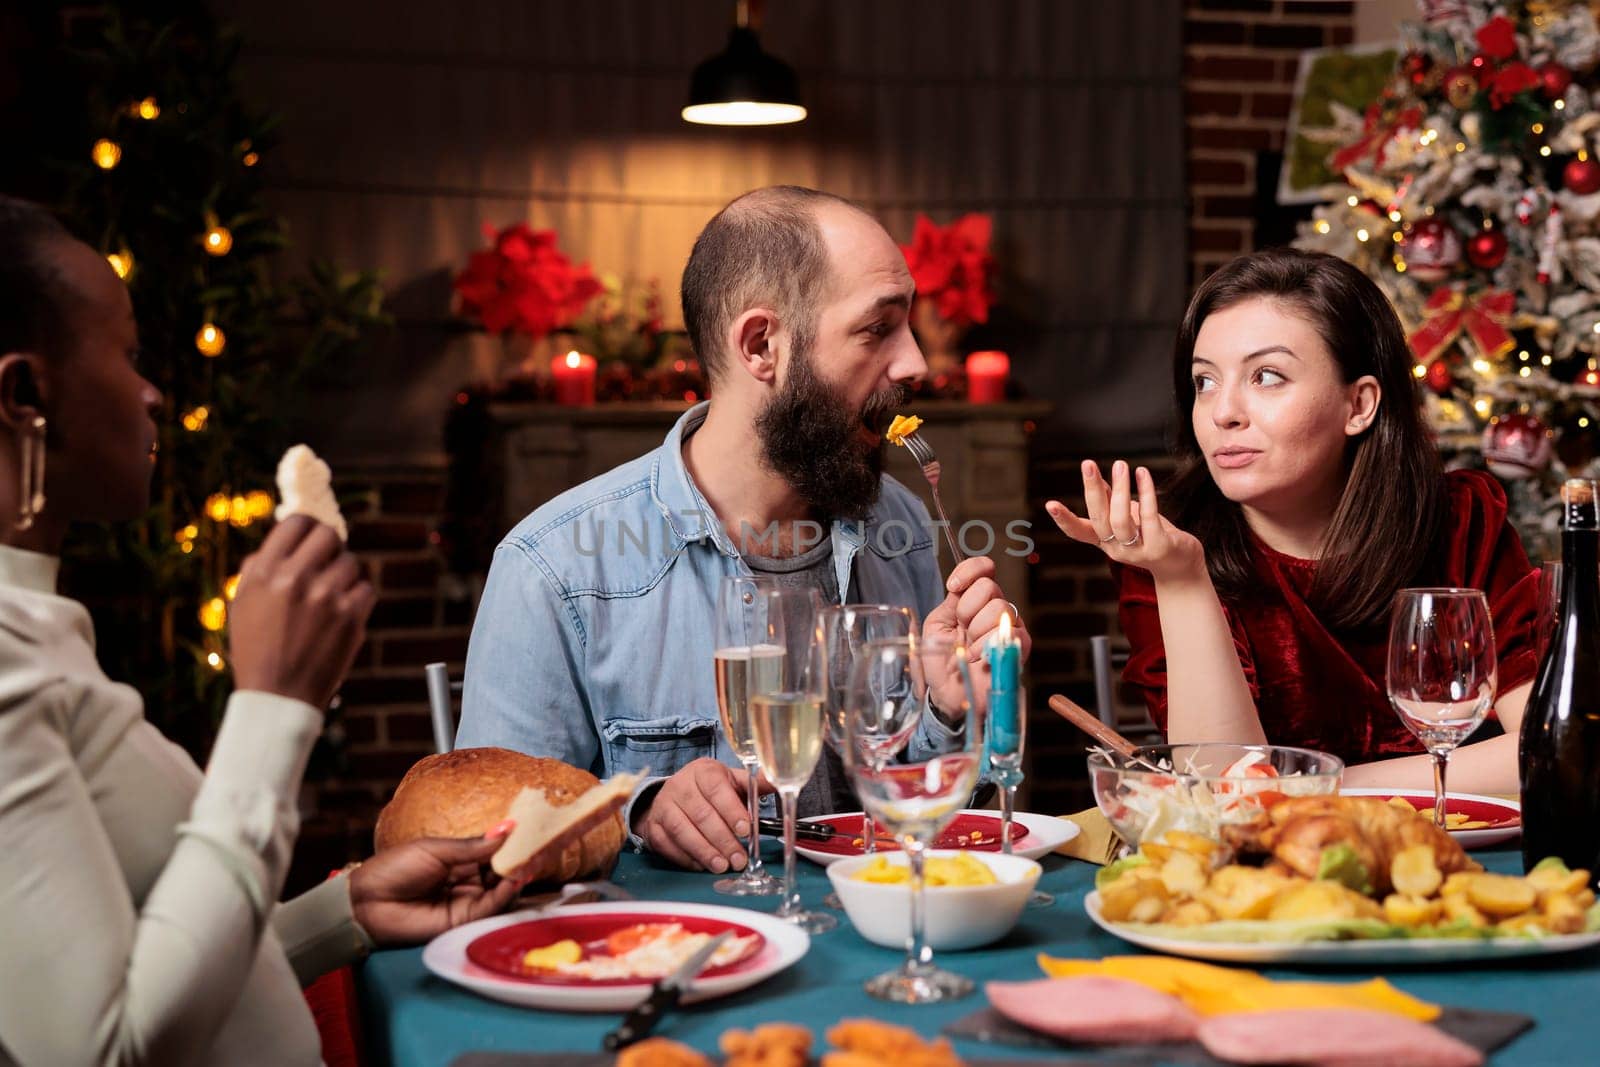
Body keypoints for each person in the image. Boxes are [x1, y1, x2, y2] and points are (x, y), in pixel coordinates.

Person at [0, 196, 526, 1067]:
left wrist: (346, 911)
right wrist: (274, 709)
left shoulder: (41, 631)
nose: (150, 392)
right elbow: (104, 1048)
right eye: (127, 354)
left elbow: (159, 966)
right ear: (23, 393)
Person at [460, 185, 1031, 873]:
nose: (916, 364)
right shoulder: (552, 567)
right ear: (762, 345)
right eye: (878, 329)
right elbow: (489, 843)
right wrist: (640, 810)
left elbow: (923, 819)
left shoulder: (899, 521)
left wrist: (946, 710)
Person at [1046, 247, 1538, 793]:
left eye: (1267, 376)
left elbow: (1547, 747)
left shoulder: (1461, 521)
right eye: (1205, 381)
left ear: (1359, 405)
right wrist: (1182, 579)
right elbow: (1221, 787)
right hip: (1271, 871)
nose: (1222, 411)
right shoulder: (1170, 548)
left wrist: (1314, 788)